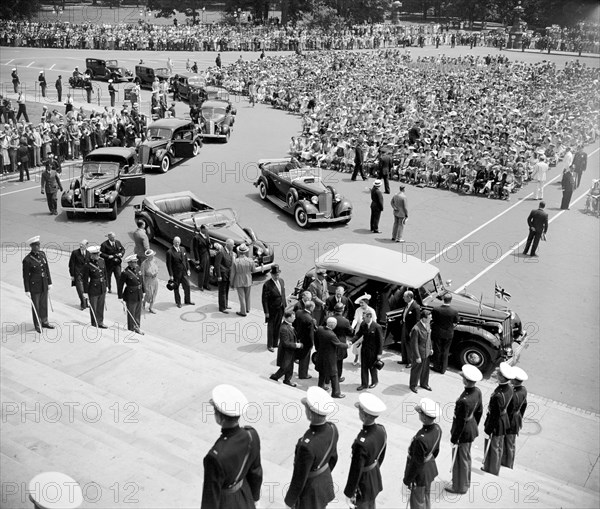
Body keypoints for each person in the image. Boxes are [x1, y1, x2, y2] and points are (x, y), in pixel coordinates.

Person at [201, 384, 263, 509]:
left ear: (219, 418)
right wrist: (255, 499)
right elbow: (256, 472)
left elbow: (210, 497)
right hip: (245, 495)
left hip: (225, 502)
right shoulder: (251, 435)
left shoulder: (214, 456)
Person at [284, 386, 339, 509]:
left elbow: (299, 477)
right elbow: (333, 458)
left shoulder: (306, 445)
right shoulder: (332, 429)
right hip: (324, 482)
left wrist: (289, 501)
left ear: (309, 413)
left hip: (310, 492)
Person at [344, 393, 387, 509]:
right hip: (374, 475)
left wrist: (349, 492)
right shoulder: (381, 430)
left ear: (364, 415)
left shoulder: (361, 443)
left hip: (363, 483)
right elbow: (381, 456)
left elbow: (355, 470)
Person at [446, 365, 484, 495]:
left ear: (466, 381)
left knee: (460, 459)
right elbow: (479, 412)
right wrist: (474, 426)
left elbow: (460, 422)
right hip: (471, 428)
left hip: (463, 432)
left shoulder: (463, 401)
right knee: (466, 457)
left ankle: (459, 487)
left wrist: (454, 438)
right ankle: (465, 482)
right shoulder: (477, 391)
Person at [403, 398, 442, 509]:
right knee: (426, 497)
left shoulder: (420, 439)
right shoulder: (437, 429)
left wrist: (408, 479)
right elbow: (436, 451)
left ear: (424, 418)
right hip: (429, 468)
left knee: (417, 502)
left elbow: (416, 463)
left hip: (420, 474)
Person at [482, 362, 515, 476]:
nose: (496, 374)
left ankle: (492, 469)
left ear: (501, 377)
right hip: (504, 420)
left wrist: (488, 429)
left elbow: (494, 415)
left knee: (494, 446)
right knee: (499, 446)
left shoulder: (498, 395)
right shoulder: (509, 388)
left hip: (496, 422)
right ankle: (493, 468)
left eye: (498, 373)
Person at [22, 236, 54, 333]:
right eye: (36, 245)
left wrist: (49, 282)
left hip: (44, 283)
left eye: (39, 244)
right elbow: (26, 276)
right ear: (32, 246)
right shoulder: (27, 260)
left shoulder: (42, 254)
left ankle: (44, 321)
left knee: (44, 304)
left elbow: (46, 269)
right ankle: (37, 324)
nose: (38, 246)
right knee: (36, 305)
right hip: (34, 286)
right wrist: (27, 289)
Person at [316, 317, 350, 398]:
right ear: (333, 325)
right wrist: (347, 345)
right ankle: (336, 393)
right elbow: (339, 344)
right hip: (330, 357)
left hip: (321, 354)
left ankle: (320, 387)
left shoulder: (320, 329)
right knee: (334, 374)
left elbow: (316, 340)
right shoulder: (331, 335)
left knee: (322, 372)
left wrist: (318, 349)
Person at [501, 366, 528, 470]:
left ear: (514, 380)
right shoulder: (523, 390)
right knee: (510, 443)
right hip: (516, 419)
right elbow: (524, 405)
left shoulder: (513, 394)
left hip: (511, 421)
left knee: (508, 443)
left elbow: (509, 410)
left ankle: (507, 464)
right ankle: (508, 463)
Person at [270, 310, 303, 386]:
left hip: (290, 352)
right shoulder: (284, 328)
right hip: (286, 352)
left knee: (290, 366)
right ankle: (275, 377)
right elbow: (285, 343)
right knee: (285, 367)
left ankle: (287, 380)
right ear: (288, 318)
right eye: (293, 317)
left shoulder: (289, 326)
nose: (294, 318)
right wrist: (296, 345)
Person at [353, 310, 384, 391]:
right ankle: (364, 384)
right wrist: (351, 341)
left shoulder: (377, 327)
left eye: (364, 317)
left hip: (373, 351)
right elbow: (358, 334)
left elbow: (380, 341)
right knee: (364, 367)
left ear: (370, 317)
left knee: (372, 367)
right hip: (364, 350)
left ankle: (374, 381)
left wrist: (379, 353)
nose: (363, 318)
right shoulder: (363, 324)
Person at [431, 294, 459, 374]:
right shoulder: (454, 311)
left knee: (437, 350)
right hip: (448, 333)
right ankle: (443, 369)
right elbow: (455, 322)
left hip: (438, 332)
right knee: (446, 351)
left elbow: (434, 319)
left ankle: (436, 367)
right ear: (451, 300)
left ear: (443, 299)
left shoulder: (436, 309)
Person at [117, 255, 145, 335]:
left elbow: (141, 280)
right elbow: (120, 285)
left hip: (138, 293)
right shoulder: (125, 272)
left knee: (137, 312)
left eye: (136, 262)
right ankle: (131, 328)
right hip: (130, 294)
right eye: (134, 262)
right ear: (129, 263)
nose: (136, 263)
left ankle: (137, 327)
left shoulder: (138, 268)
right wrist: (120, 297)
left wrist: (144, 290)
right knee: (131, 312)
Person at [82, 245, 108, 328]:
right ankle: (94, 323)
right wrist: (85, 292)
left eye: (98, 254)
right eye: (96, 254)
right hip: (93, 287)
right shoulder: (87, 265)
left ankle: (100, 322)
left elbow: (105, 274)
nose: (98, 256)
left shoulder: (102, 261)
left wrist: (106, 285)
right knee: (94, 306)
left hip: (102, 286)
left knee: (101, 306)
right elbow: (85, 280)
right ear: (92, 255)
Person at [262, 264, 286, 352]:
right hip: (272, 309)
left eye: (278, 274)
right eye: (275, 275)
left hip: (280, 307)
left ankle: (276, 342)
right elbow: (264, 299)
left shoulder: (281, 281)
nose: (277, 276)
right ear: (271, 275)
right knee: (271, 327)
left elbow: (283, 294)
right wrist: (266, 312)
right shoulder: (267, 285)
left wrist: (285, 305)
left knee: (278, 326)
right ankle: (270, 344)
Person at [166, 236, 194, 309]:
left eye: (178, 242)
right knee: (176, 288)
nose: (177, 243)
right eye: (176, 242)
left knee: (187, 286)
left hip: (184, 272)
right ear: (173, 242)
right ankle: (178, 302)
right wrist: (171, 275)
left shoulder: (183, 249)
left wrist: (188, 269)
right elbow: (168, 265)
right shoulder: (170, 252)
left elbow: (186, 260)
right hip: (176, 273)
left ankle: (187, 300)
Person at [409, 309, 433, 394]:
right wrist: (417, 356)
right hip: (419, 353)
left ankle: (424, 384)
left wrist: (430, 348)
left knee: (425, 370)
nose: (431, 319)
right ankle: (413, 385)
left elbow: (429, 338)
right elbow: (414, 344)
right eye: (429, 318)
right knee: (416, 370)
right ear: (423, 318)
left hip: (426, 352)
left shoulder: (428, 324)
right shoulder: (416, 329)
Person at [351, 294, 377, 366]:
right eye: (360, 303)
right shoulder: (358, 310)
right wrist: (352, 326)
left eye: (362, 303)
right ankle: (356, 357)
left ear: (366, 302)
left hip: (368, 328)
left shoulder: (371, 310)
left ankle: (362, 360)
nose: (361, 304)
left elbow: (374, 320)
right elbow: (355, 319)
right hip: (359, 327)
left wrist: (373, 330)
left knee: (365, 344)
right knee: (356, 343)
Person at [398, 290, 420, 367]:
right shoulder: (407, 304)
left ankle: (410, 362)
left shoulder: (415, 307)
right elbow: (405, 313)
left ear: (409, 297)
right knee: (403, 343)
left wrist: (413, 331)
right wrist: (402, 320)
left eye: (404, 297)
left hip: (410, 328)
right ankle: (404, 359)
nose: (403, 298)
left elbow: (417, 321)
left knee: (409, 344)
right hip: (405, 326)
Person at [230, 244, 254, 317]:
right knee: (247, 295)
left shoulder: (236, 261)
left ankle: (243, 311)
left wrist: (231, 283)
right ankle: (248, 309)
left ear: (239, 252)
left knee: (241, 297)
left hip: (239, 280)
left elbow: (233, 274)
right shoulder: (250, 260)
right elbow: (254, 270)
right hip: (248, 279)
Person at [332, 302, 353, 383]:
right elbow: (350, 332)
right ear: (342, 310)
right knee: (339, 361)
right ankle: (338, 377)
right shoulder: (345, 321)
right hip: (340, 341)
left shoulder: (329, 318)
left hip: (330, 341)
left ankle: (329, 376)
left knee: (330, 360)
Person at [295, 300, 316, 380]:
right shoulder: (309, 319)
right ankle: (303, 374)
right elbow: (310, 334)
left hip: (297, 336)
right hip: (305, 341)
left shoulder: (298, 312)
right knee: (305, 358)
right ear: (311, 308)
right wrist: (311, 344)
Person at [69, 240, 90, 310]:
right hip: (77, 274)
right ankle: (83, 303)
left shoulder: (88, 253)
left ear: (86, 246)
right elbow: (71, 264)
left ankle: (86, 302)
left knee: (86, 289)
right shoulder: (75, 253)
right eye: (80, 244)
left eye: (83, 245)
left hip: (86, 275)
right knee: (80, 290)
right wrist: (72, 275)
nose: (81, 246)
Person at [215, 239, 234, 313]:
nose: (233, 247)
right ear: (228, 245)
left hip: (227, 275)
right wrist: (219, 275)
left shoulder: (230, 252)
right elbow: (217, 265)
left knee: (226, 290)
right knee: (222, 291)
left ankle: (225, 304)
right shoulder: (221, 252)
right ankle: (222, 307)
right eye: (232, 245)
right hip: (222, 275)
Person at [192, 224, 212, 291]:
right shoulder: (197, 237)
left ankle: (206, 284)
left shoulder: (207, 236)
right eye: (206, 229)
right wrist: (197, 259)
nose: (207, 231)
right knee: (202, 271)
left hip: (207, 254)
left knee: (207, 271)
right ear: (202, 229)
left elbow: (208, 245)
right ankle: (200, 285)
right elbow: (195, 249)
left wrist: (210, 244)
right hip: (201, 256)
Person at [141, 249, 159, 314]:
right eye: (150, 256)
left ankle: (151, 307)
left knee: (154, 294)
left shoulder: (155, 261)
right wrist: (143, 284)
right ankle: (144, 301)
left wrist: (156, 273)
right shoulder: (144, 264)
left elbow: (157, 268)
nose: (152, 257)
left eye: (152, 256)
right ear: (147, 257)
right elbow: (142, 275)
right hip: (148, 281)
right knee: (149, 295)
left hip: (155, 280)